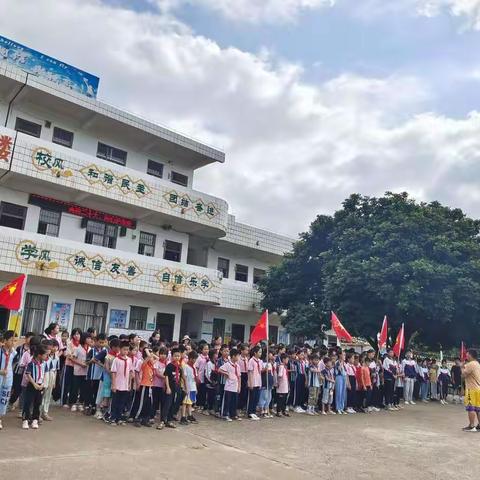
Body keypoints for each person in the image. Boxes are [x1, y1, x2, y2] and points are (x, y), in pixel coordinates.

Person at [22, 344, 48, 430]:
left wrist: (43, 384)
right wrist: (34, 384)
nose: (46, 356)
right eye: (45, 354)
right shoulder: (31, 363)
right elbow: (28, 374)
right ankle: (25, 419)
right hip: (32, 385)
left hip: (40, 385)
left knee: (38, 403)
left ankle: (35, 419)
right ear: (39, 355)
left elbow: (45, 374)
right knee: (28, 402)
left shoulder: (44, 364)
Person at [110, 340, 133, 425]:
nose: (126, 352)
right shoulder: (116, 360)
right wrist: (113, 384)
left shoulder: (129, 360)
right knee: (115, 402)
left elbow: (131, 372)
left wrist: (130, 383)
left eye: (127, 350)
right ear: (120, 349)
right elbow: (113, 372)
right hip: (117, 384)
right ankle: (113, 418)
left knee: (122, 403)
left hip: (125, 385)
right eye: (124, 350)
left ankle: (119, 418)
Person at [9, 331, 33, 411]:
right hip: (18, 371)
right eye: (30, 338)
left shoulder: (32, 349)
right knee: (16, 388)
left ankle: (18, 406)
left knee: (21, 390)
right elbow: (15, 359)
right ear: (26, 339)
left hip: (26, 373)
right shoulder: (20, 348)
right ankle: (10, 402)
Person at [84, 333, 107, 415]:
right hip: (91, 375)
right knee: (89, 392)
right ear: (96, 341)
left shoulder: (106, 351)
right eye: (100, 342)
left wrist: (98, 362)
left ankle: (95, 407)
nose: (101, 344)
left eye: (103, 342)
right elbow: (86, 362)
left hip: (101, 376)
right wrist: (92, 361)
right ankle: (87, 406)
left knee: (97, 392)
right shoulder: (92, 350)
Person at [69, 332, 92, 412]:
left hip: (86, 372)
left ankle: (81, 403)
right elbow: (72, 358)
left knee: (84, 388)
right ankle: (73, 403)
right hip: (78, 371)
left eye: (90, 338)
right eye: (88, 338)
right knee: (75, 388)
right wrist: (81, 364)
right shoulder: (78, 348)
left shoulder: (90, 349)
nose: (90, 340)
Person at [163, 348, 184, 428]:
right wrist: (168, 387)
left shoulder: (179, 366)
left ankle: (169, 420)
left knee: (174, 404)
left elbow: (181, 377)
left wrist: (183, 387)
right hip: (170, 388)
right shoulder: (169, 366)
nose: (177, 357)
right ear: (172, 356)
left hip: (177, 388)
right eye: (175, 356)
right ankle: (163, 420)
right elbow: (166, 377)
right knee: (167, 404)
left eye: (178, 356)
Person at [0, 330, 16, 430]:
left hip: (8, 379)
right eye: (11, 340)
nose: (13, 343)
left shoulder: (13, 352)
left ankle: (0, 418)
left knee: (3, 399)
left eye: (15, 341)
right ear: (5, 340)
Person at [40, 339, 59, 421]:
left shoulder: (54, 358)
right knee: (41, 396)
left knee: (48, 395)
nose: (51, 349)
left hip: (50, 376)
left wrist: (54, 381)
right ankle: (38, 413)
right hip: (43, 377)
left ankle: (45, 412)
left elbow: (54, 370)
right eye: (50, 347)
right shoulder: (41, 357)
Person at [461, 349, 480, 432]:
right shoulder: (477, 364)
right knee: (478, 408)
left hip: (471, 389)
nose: (466, 356)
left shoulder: (470, 364)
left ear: (471, 355)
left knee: (471, 408)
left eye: (467, 354)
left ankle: (472, 426)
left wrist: (462, 367)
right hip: (478, 388)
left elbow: (463, 375)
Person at [62, 328, 81, 407]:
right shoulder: (69, 343)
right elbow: (67, 353)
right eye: (75, 334)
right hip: (69, 365)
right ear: (72, 335)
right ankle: (64, 402)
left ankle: (72, 401)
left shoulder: (81, 344)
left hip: (77, 366)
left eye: (78, 334)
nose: (77, 336)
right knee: (67, 383)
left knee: (75, 385)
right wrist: (73, 356)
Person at [180, 350, 198, 425]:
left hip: (193, 386)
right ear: (190, 358)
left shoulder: (194, 367)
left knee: (190, 403)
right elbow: (185, 378)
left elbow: (195, 378)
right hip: (188, 386)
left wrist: (196, 387)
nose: (194, 360)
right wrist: (185, 387)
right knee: (185, 402)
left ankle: (189, 415)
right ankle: (183, 417)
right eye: (193, 359)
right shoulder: (186, 367)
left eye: (195, 359)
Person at [247, 346, 262, 420]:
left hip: (258, 381)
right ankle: (250, 412)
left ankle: (254, 412)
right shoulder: (251, 361)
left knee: (256, 398)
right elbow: (250, 372)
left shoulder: (260, 361)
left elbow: (260, 371)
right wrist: (250, 383)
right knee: (252, 398)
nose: (260, 353)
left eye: (261, 352)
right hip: (253, 381)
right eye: (259, 352)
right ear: (255, 353)